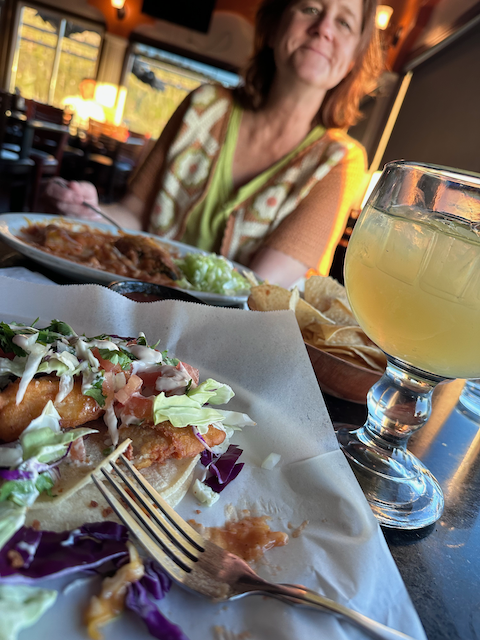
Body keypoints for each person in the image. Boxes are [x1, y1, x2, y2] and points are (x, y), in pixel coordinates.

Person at [46, 0, 383, 287]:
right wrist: (92, 211)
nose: (324, 29)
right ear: (275, 26)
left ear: (353, 58)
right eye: (310, 8)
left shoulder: (341, 161)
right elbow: (132, 215)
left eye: (344, 23)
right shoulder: (203, 105)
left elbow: (258, 286)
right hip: (131, 299)